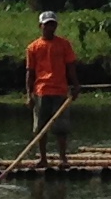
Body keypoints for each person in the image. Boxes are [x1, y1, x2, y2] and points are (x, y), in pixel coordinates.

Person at [24, 10, 78, 164]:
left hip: (60, 90)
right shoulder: (33, 47)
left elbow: (70, 67)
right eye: (47, 25)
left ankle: (62, 157)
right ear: (40, 26)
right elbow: (30, 72)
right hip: (41, 91)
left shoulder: (64, 45)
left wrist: (75, 85)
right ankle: (43, 158)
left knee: (61, 127)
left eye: (53, 24)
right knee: (41, 127)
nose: (50, 28)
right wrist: (29, 95)